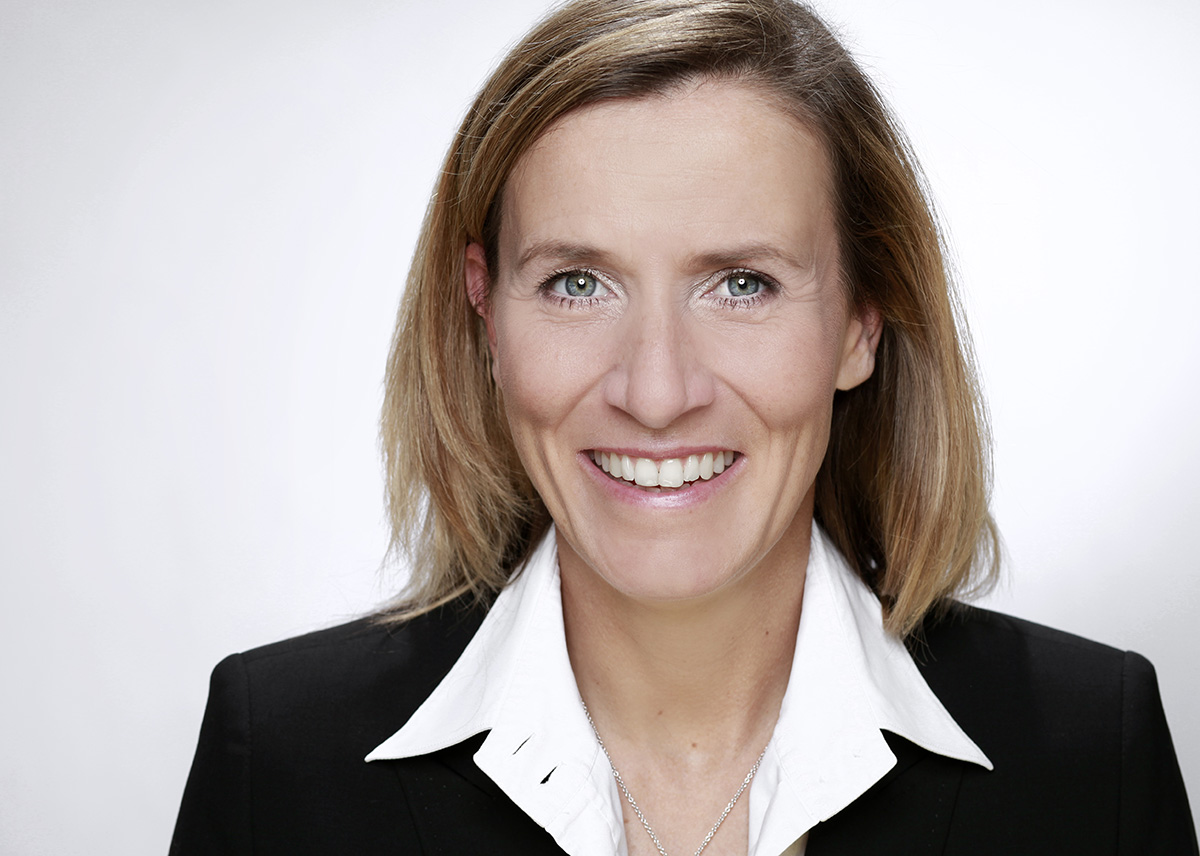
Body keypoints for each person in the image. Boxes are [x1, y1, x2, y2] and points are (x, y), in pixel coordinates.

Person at [170, 0, 1197, 853]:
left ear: (862, 321)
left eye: (741, 283)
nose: (656, 392)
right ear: (484, 313)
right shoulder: (281, 761)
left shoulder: (1090, 759)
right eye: (577, 283)